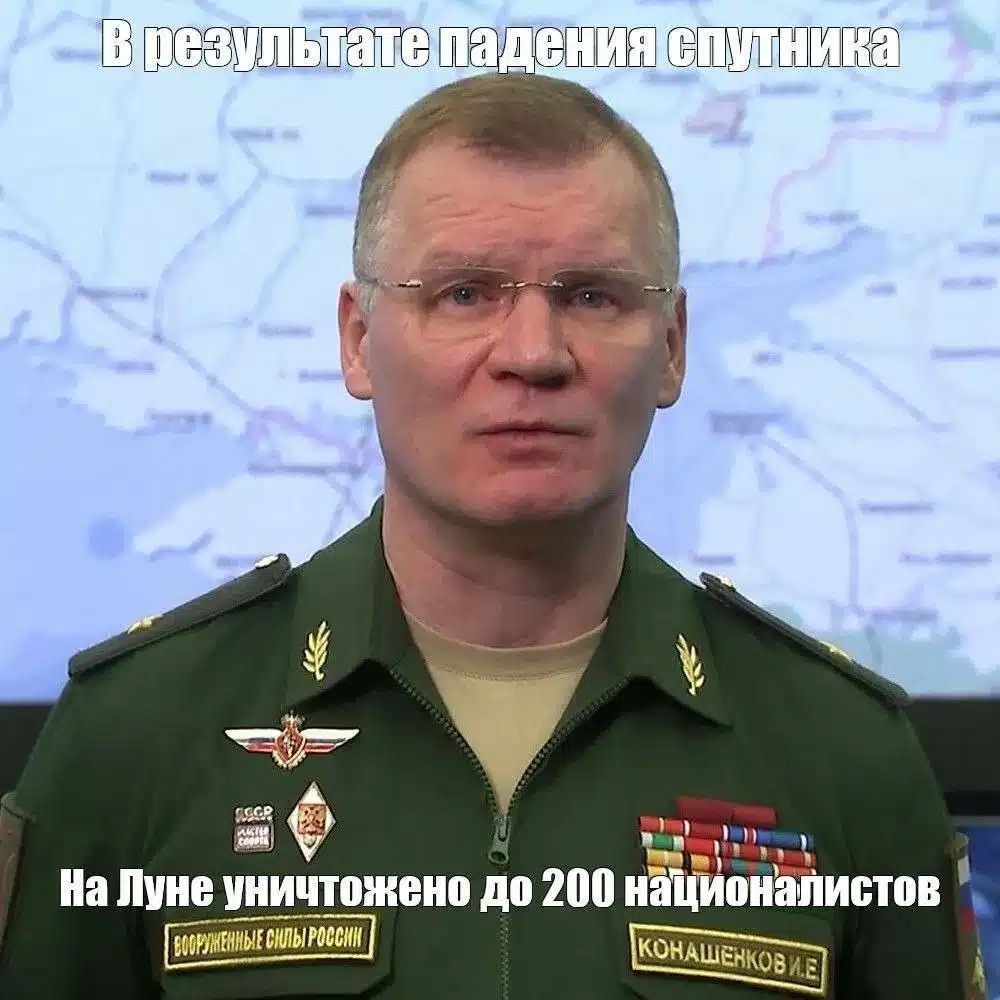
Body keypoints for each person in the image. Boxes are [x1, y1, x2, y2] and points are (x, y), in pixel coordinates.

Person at [0, 73, 985, 1000]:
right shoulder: (138, 737)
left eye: (592, 295)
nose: (532, 355)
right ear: (358, 341)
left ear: (673, 347)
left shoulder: (841, 756)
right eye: (464, 293)